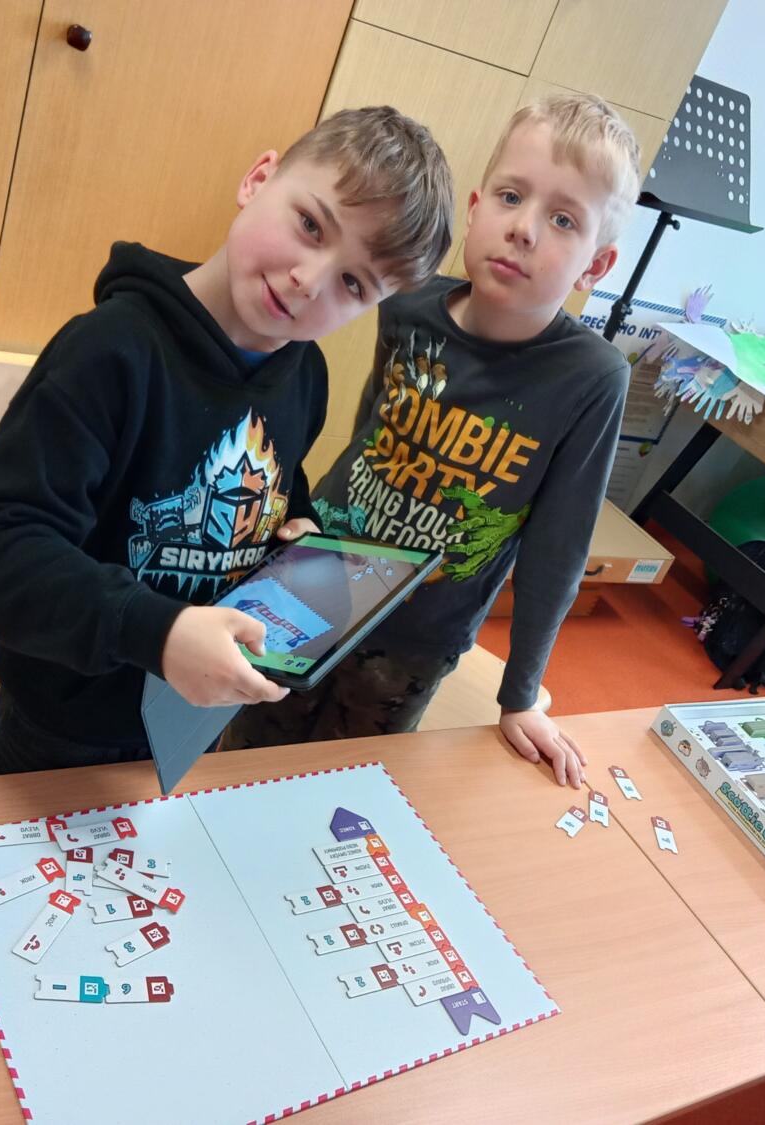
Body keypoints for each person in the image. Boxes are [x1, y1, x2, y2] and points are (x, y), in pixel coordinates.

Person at [0, 107, 454, 777]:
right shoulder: (109, 352)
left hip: (196, 717)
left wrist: (293, 531)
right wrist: (159, 632)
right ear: (258, 178)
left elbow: (279, 486)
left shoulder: (305, 374)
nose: (309, 280)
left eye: (353, 284)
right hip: (61, 726)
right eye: (310, 225)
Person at [225, 93, 640, 789]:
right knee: (239, 745)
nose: (523, 229)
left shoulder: (591, 378)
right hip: (317, 577)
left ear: (595, 267)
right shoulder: (407, 304)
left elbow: (558, 550)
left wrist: (521, 695)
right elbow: (369, 430)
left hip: (417, 635)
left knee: (339, 784)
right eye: (511, 197)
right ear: (476, 208)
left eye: (563, 219)